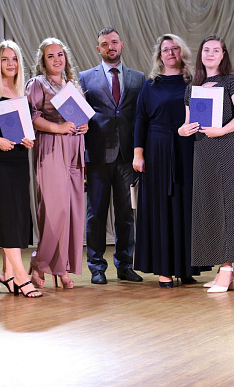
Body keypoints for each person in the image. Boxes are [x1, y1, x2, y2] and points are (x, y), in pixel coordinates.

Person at [179, 35, 234, 293]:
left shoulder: (232, 81)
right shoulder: (193, 87)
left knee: (226, 206)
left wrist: (221, 131)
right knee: (209, 207)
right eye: (206, 50)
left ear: (223, 55)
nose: (210, 54)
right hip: (202, 151)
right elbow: (187, 122)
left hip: (226, 147)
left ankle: (227, 268)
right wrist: (182, 130)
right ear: (201, 55)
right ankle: (223, 269)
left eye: (215, 50)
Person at [133, 34, 207, 287]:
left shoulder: (194, 82)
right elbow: (140, 119)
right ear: (159, 55)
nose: (171, 53)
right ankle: (164, 268)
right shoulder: (150, 85)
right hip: (158, 150)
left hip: (189, 148)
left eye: (175, 48)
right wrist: (138, 153)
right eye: (166, 49)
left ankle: (186, 268)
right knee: (162, 207)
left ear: (182, 52)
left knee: (187, 206)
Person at [79, 27, 146, 285]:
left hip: (128, 157)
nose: (111, 47)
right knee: (95, 214)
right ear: (98, 49)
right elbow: (80, 116)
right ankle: (96, 267)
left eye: (114, 42)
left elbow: (141, 117)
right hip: (96, 157)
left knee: (126, 215)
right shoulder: (85, 78)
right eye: (105, 44)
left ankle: (125, 265)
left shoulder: (138, 78)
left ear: (122, 44)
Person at [0, 40, 42, 298]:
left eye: (14, 59)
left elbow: (25, 126)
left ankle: (7, 274)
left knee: (17, 215)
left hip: (18, 158)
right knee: (6, 214)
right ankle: (21, 276)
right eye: (5, 59)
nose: (10, 63)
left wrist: (28, 139)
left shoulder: (21, 91)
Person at [25, 38, 87, 289]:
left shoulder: (72, 84)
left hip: (75, 147)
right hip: (52, 146)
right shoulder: (37, 84)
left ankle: (61, 268)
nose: (57, 59)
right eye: (50, 56)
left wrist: (84, 125)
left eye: (60, 54)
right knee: (55, 210)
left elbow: (80, 116)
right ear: (43, 60)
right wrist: (57, 128)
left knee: (72, 211)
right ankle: (39, 262)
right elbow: (30, 117)